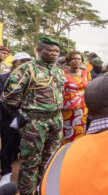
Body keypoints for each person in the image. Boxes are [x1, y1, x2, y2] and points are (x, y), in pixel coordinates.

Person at [1, 36, 65, 195]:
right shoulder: (26, 69)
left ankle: (43, 189)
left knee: (50, 161)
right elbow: (8, 97)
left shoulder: (58, 69)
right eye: (50, 50)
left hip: (56, 121)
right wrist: (19, 113)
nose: (54, 53)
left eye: (57, 51)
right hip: (35, 123)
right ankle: (27, 192)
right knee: (30, 163)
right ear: (39, 50)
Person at [0, 52, 31, 186]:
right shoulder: (3, 78)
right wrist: (15, 118)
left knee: (22, 148)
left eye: (28, 61)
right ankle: (6, 173)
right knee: (8, 147)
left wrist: (22, 117)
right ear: (14, 63)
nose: (25, 64)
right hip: (7, 118)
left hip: (26, 118)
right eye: (22, 61)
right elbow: (3, 100)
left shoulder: (32, 79)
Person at [62, 51, 91, 145]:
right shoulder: (62, 73)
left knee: (80, 131)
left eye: (79, 59)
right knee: (66, 131)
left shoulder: (86, 73)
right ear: (69, 61)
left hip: (82, 109)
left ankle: (77, 151)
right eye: (74, 58)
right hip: (67, 108)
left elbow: (90, 89)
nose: (77, 61)